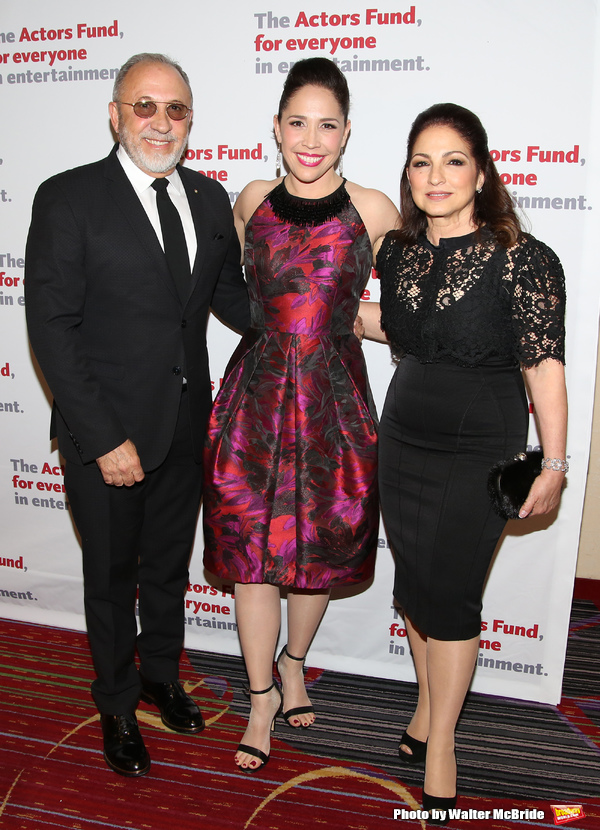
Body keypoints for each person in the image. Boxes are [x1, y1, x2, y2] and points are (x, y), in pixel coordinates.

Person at [25, 53, 250, 777]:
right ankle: (117, 703)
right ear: (116, 114)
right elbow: (52, 329)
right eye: (145, 106)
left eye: (176, 109)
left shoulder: (211, 200)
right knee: (111, 575)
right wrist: (102, 437)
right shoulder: (68, 198)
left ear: (191, 120)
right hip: (108, 437)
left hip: (187, 427)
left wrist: (321, 314)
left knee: (165, 572)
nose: (161, 122)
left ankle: (160, 675)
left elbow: (234, 301)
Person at [361, 103, 567, 823]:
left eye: (453, 160)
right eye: (422, 161)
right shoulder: (400, 254)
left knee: (448, 596)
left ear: (481, 172)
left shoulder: (524, 258)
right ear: (408, 174)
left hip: (480, 442)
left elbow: (543, 367)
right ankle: (424, 712)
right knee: (417, 585)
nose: (436, 175)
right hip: (404, 434)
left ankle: (442, 742)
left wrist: (555, 462)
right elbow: (394, 323)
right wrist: (308, 308)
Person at [202, 57, 399, 772]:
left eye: (326, 125)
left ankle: (295, 661)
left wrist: (350, 320)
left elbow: (409, 304)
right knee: (251, 557)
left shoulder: (374, 209)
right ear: (276, 128)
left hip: (332, 406)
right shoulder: (250, 198)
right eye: (296, 123)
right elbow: (229, 289)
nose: (310, 139)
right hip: (253, 399)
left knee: (315, 558)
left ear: (346, 133)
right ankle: (259, 699)